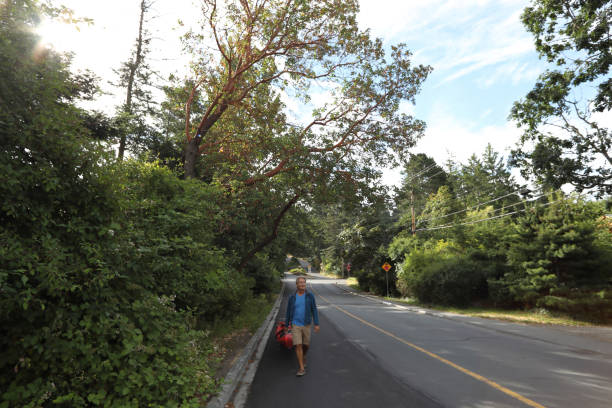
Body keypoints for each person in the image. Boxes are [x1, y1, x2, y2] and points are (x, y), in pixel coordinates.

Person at [285, 276, 320, 377]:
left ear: (305, 284)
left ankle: (303, 356)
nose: (302, 284)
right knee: (298, 345)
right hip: (295, 324)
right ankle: (301, 368)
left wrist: (316, 323)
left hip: (306, 324)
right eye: (300, 283)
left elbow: (314, 310)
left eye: (303, 283)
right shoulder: (292, 297)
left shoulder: (310, 296)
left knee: (306, 345)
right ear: (296, 285)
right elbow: (288, 312)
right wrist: (287, 325)